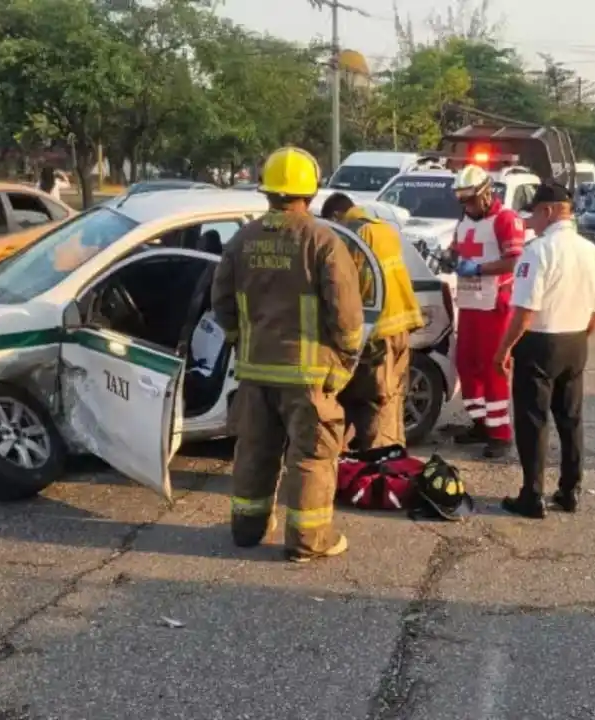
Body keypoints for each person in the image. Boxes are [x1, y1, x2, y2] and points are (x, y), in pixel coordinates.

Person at [211, 146, 364, 563]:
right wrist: (346, 359)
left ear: (268, 192)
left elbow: (221, 301)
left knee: (254, 451)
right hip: (307, 376)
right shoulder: (323, 241)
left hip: (255, 371)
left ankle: (248, 529)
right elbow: (346, 314)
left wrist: (240, 340)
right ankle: (308, 542)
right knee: (311, 457)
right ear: (309, 193)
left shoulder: (242, 240)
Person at [492, 182, 595, 518]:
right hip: (576, 341)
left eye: (534, 216)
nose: (531, 224)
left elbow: (525, 311)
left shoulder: (538, 251)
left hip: (539, 342)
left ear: (548, 211)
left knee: (533, 421)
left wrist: (504, 350)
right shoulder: (592, 252)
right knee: (571, 420)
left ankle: (532, 495)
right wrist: (576, 338)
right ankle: (570, 491)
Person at [320, 192, 424, 450]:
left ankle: (379, 462)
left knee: (374, 401)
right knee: (393, 398)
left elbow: (347, 287)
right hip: (402, 326)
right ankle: (394, 455)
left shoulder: (352, 235)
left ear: (336, 216)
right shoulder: (384, 229)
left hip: (378, 331)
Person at [449, 164, 525, 459]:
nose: (466, 205)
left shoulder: (506, 219)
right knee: (466, 365)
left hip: (495, 305)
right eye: (462, 200)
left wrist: (479, 268)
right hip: (470, 303)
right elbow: (457, 247)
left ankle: (500, 433)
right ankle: (481, 423)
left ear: (485, 193)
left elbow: (514, 260)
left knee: (493, 367)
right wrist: (450, 257)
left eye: (470, 199)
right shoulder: (465, 219)